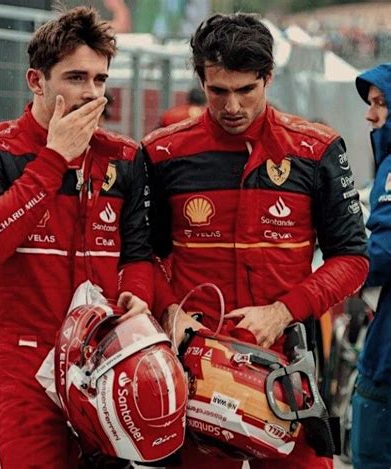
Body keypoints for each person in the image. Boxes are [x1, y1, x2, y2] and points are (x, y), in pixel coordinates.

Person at [143, 13, 369, 469]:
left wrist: (284, 311)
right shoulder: (162, 152)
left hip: (286, 366)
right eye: (218, 90)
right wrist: (169, 310)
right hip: (195, 367)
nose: (232, 106)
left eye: (246, 90)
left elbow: (352, 259)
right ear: (201, 79)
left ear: (268, 77)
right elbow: (140, 255)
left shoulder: (317, 150)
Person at [0, 6, 153, 468]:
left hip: (105, 364)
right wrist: (53, 158)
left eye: (100, 80)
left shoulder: (124, 156)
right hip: (26, 366)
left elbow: (139, 254)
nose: (90, 94)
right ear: (36, 81)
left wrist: (137, 294)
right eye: (75, 77)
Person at [352, 62, 391, 469]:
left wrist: (342, 262)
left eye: (381, 103)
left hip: (386, 359)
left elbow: (383, 252)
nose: (369, 113)